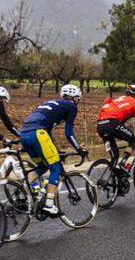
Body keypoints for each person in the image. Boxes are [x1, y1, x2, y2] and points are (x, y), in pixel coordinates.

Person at [19, 84, 87, 216]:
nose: (78, 101)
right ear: (74, 98)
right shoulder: (71, 106)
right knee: (55, 168)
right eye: (78, 98)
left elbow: (47, 131)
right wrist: (79, 149)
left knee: (42, 166)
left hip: (24, 134)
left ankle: (20, 191)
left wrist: (55, 150)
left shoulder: (49, 103)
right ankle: (49, 205)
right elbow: (69, 133)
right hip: (38, 135)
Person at [96, 84, 135, 173]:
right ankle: (122, 163)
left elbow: (120, 121)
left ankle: (114, 179)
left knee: (115, 155)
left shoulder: (119, 100)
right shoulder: (134, 102)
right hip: (111, 122)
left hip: (100, 125)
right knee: (133, 140)